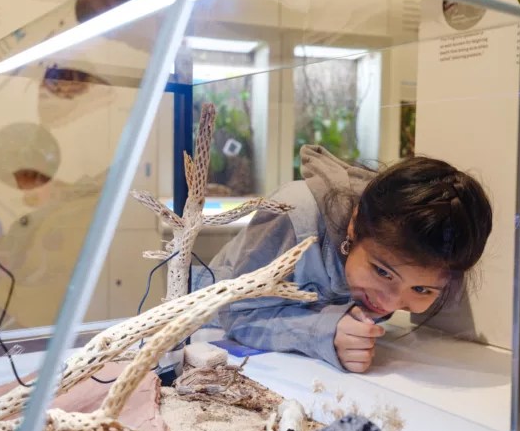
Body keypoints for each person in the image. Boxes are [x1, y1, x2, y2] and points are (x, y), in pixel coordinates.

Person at [192, 145, 493, 373]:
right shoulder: (295, 214)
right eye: (382, 272)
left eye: (421, 290)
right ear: (354, 224)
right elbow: (236, 312)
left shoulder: (436, 250)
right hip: (204, 332)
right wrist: (324, 332)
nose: (388, 304)